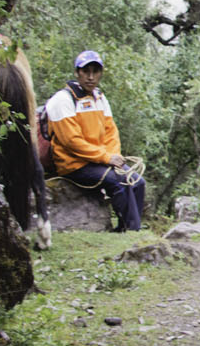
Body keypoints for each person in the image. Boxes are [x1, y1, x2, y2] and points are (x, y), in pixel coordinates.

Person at [45, 49, 145, 232]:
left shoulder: (99, 97)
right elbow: (71, 141)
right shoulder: (62, 100)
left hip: (99, 161)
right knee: (118, 181)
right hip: (75, 164)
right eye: (86, 71)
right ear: (77, 73)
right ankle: (131, 231)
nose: (91, 77)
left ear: (100, 73)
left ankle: (128, 228)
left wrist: (114, 156)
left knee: (137, 182)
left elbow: (111, 132)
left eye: (95, 72)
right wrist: (106, 159)